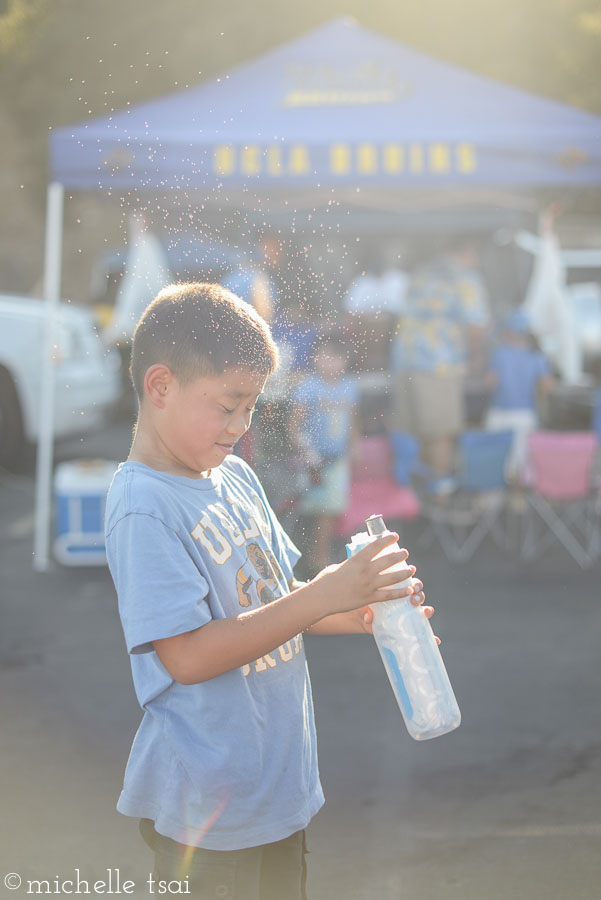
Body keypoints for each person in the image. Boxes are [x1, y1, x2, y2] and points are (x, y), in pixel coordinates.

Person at [104, 283, 432, 900]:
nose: (241, 425)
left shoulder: (234, 475)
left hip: (274, 791)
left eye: (251, 406)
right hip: (208, 815)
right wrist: (323, 593)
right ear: (161, 386)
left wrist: (361, 611)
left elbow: (281, 601)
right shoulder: (143, 507)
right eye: (228, 405)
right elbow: (188, 656)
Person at [390, 237, 490, 491]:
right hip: (438, 364)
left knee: (415, 431)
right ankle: (440, 497)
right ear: (469, 248)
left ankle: (419, 499)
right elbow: (476, 326)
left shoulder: (421, 272)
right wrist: (477, 359)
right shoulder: (465, 278)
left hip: (405, 360)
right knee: (441, 431)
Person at [290, 333, 361, 576]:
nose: (329, 362)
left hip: (337, 460)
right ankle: (308, 558)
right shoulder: (308, 387)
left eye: (335, 358)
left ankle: (319, 560)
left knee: (329, 511)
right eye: (324, 357)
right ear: (314, 359)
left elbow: (353, 421)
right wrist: (304, 450)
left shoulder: (349, 388)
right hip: (312, 461)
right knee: (309, 509)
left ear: (345, 360)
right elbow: (294, 424)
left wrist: (354, 446)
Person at [484, 308, 554, 480]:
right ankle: (518, 498)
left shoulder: (499, 354)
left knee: (493, 457)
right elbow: (547, 386)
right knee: (520, 461)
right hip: (525, 413)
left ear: (509, 332)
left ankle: (491, 495)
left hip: (499, 412)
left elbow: (490, 383)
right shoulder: (537, 356)